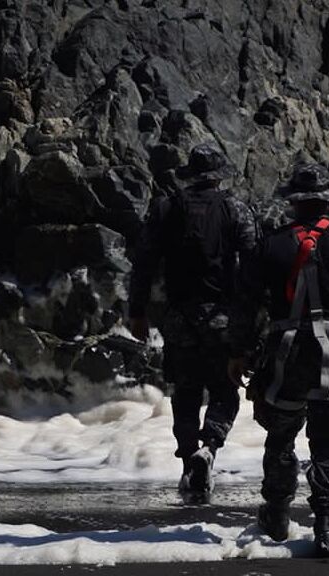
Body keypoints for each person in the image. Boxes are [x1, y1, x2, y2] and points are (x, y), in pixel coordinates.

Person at [229, 163, 329, 557]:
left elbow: (245, 302)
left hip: (285, 352)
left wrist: (240, 352)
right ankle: (326, 528)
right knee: (327, 441)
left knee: (281, 435)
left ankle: (276, 515)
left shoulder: (270, 245)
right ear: (328, 200)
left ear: (293, 202)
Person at [128, 144, 257, 498]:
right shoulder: (235, 209)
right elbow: (253, 267)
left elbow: (144, 261)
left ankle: (189, 462)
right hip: (221, 318)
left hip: (179, 318)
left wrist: (137, 311)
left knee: (184, 393)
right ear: (218, 177)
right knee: (224, 390)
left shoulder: (166, 207)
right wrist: (251, 323)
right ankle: (209, 447)